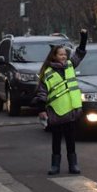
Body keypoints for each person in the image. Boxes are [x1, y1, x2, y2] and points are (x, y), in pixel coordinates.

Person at [31, 30, 88, 175]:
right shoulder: (48, 73)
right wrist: (42, 110)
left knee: (70, 139)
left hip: (71, 110)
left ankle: (73, 164)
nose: (63, 57)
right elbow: (42, 93)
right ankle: (55, 165)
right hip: (56, 111)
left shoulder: (70, 65)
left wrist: (84, 38)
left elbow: (80, 53)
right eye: (60, 55)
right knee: (56, 140)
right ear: (54, 56)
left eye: (64, 55)